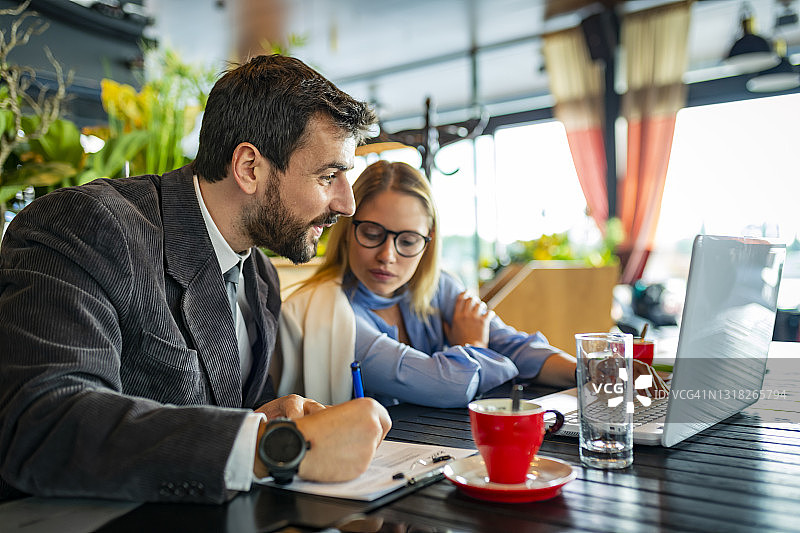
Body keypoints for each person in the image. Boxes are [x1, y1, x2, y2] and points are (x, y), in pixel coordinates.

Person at [0, 54, 391, 504]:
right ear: (249, 168)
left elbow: (222, 415)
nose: (347, 204)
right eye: (329, 176)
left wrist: (267, 418)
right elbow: (44, 423)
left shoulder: (260, 275)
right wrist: (276, 447)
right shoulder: (89, 225)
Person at [277, 161, 578, 408]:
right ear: (347, 231)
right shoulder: (332, 312)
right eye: (371, 234)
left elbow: (514, 347)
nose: (387, 256)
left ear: (427, 243)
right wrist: (473, 346)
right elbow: (447, 386)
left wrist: (588, 372)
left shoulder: (438, 286)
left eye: (408, 241)